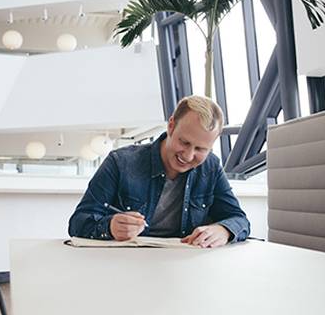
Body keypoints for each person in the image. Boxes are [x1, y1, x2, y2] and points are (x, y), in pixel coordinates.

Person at [68, 95, 250, 248]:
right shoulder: (120, 162)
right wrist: (110, 227)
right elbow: (78, 223)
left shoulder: (211, 167)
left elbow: (239, 219)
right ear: (171, 126)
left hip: (184, 266)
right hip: (126, 266)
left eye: (200, 149)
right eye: (184, 142)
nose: (188, 156)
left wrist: (224, 230)